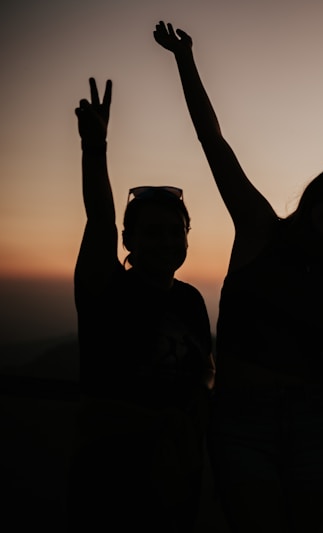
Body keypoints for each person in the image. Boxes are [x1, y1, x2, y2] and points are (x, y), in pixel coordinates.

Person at [154, 21, 323, 533]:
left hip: (310, 419)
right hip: (242, 416)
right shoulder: (260, 229)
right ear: (316, 196)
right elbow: (215, 143)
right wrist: (184, 60)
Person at [68, 77, 215, 533]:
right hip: (112, 468)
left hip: (175, 470)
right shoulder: (106, 287)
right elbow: (99, 219)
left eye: (176, 232)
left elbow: (203, 376)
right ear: (129, 239)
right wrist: (96, 150)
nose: (167, 242)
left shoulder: (190, 300)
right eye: (152, 233)